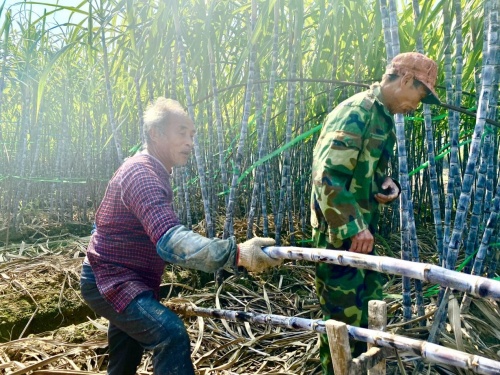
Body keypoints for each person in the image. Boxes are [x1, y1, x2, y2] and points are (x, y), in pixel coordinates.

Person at [80, 97, 282, 375]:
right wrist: (237, 253)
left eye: (192, 135)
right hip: (110, 280)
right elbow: (169, 240)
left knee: (125, 356)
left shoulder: (152, 170)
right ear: (156, 134)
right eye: (181, 133)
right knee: (170, 334)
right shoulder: (142, 175)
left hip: (127, 278)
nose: (190, 142)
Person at [310, 52, 440, 373]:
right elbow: (327, 176)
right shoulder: (358, 112)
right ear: (406, 81)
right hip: (337, 238)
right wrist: (355, 227)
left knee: (369, 316)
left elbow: (362, 170)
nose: (416, 106)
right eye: (419, 96)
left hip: (359, 238)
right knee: (342, 327)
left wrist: (384, 184)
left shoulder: (381, 116)